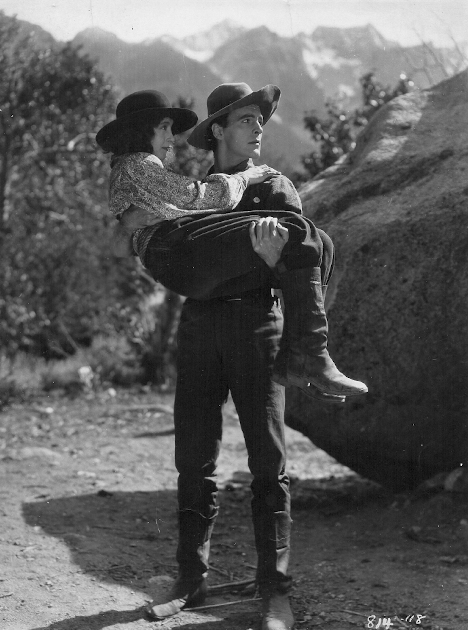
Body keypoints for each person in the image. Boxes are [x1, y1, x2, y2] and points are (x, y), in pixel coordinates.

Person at [141, 82, 365, 630]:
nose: (258, 127)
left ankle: (275, 591)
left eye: (261, 119)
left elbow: (301, 266)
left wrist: (269, 262)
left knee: (268, 460)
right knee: (193, 455)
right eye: (246, 119)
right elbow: (180, 263)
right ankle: (190, 581)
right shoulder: (196, 190)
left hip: (257, 323)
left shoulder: (274, 185)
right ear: (217, 129)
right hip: (199, 324)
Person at [98, 89, 367, 399]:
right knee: (303, 233)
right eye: (164, 128)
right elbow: (195, 196)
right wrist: (244, 179)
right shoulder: (139, 163)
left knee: (322, 242)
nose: (172, 137)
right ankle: (307, 358)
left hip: (225, 294)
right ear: (140, 131)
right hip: (186, 269)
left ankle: (304, 359)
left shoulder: (139, 168)